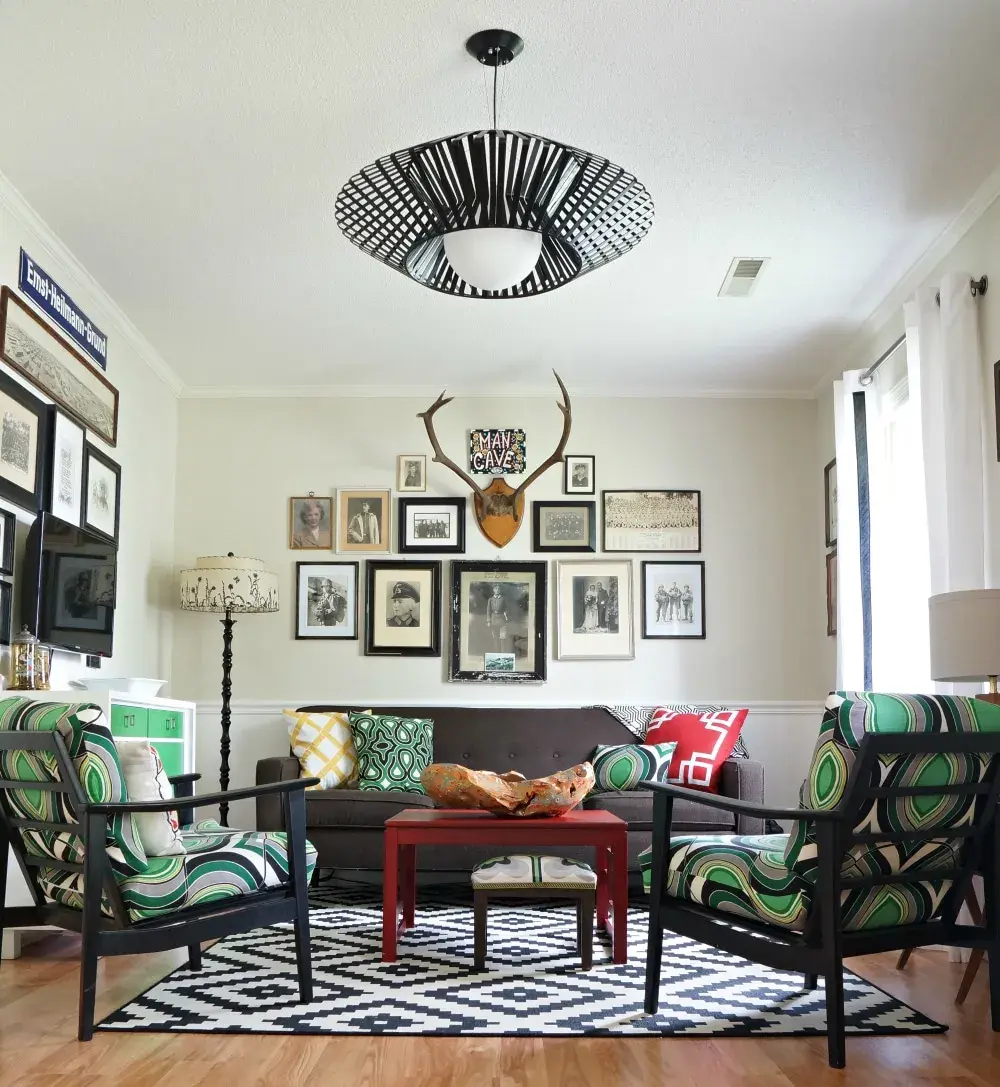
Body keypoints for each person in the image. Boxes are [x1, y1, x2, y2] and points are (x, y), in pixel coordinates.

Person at [485, 584, 509, 651]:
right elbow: (488, 611)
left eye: (498, 589)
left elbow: (506, 608)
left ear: (500, 590)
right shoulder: (490, 599)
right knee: (495, 637)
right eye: (496, 588)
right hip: (493, 619)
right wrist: (489, 621)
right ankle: (496, 653)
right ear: (493, 590)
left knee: (503, 637)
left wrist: (506, 613)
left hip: (502, 619)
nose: (497, 590)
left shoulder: (503, 599)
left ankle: (503, 654)